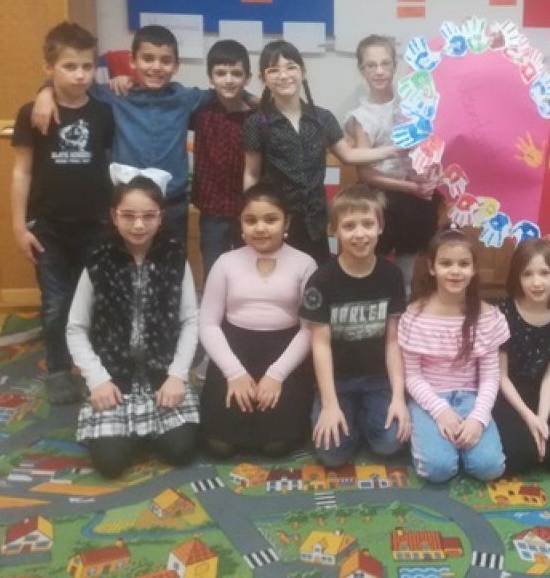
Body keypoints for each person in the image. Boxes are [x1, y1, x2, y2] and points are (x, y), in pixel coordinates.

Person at [65, 169, 199, 479]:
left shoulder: (174, 256)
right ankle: (129, 432)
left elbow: (191, 320)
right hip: (114, 378)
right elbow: (76, 328)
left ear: (161, 217)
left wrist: (177, 376)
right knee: (110, 464)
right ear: (114, 216)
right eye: (128, 216)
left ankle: (146, 429)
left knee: (181, 451)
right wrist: (97, 379)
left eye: (148, 216)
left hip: (162, 375)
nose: (138, 225)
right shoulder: (98, 259)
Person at [11, 22, 114, 405]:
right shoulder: (32, 113)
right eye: (70, 66)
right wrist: (19, 227)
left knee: (95, 300)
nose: (80, 75)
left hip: (95, 225)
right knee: (55, 303)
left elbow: (105, 165)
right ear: (48, 67)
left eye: (87, 66)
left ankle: (92, 366)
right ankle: (57, 368)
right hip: (47, 228)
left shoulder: (103, 113)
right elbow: (21, 172)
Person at [33, 25, 211, 242]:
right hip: (125, 204)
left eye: (166, 61)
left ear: (176, 66)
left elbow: (223, 94)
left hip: (172, 203)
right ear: (132, 60)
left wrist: (250, 99)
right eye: (148, 59)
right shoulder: (115, 94)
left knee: (172, 259)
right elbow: (73, 85)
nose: (156, 67)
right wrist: (46, 90)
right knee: (122, 261)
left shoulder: (185, 98)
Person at [242, 40, 400, 265]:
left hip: (315, 221)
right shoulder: (256, 123)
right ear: (262, 78)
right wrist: (251, 215)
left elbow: (348, 155)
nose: (283, 75)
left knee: (315, 275)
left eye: (290, 67)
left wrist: (395, 150)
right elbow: (251, 173)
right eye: (273, 70)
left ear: (303, 72)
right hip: (275, 220)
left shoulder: (322, 118)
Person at [198, 184, 316, 457]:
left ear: (286, 222)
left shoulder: (305, 263)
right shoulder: (225, 262)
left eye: (270, 219)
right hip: (234, 350)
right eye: (250, 220)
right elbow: (208, 324)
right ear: (240, 224)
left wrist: (276, 375)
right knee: (219, 445)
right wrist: (234, 373)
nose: (260, 228)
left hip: (285, 352)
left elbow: (309, 329)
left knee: (276, 445)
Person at [301, 185, 410, 466]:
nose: (359, 234)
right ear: (334, 230)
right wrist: (329, 404)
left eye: (367, 224)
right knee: (331, 454)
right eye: (349, 226)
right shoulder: (321, 280)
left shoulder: (392, 276)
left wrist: (399, 398)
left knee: (391, 443)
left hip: (378, 379)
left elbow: (393, 342)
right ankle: (348, 416)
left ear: (380, 227)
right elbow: (320, 345)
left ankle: (363, 417)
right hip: (338, 381)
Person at [398, 229, 509, 483]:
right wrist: (440, 411)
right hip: (429, 398)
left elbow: (490, 377)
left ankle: (463, 445)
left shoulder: (488, 317)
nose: (455, 271)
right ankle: (434, 443)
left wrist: (478, 419)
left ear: (474, 269)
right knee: (437, 470)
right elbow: (412, 376)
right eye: (446, 263)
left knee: (490, 467)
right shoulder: (415, 317)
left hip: (471, 397)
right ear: (432, 267)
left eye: (463, 264)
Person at [345, 35, 439, 286]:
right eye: (371, 65)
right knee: (374, 269)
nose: (379, 71)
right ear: (362, 69)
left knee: (407, 271)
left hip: (416, 199)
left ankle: (403, 303)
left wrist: (425, 179)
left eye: (385, 63)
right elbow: (365, 173)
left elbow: (430, 146)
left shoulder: (413, 105)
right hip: (383, 198)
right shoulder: (362, 116)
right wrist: (410, 187)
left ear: (395, 66)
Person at [494, 238, 550, 475]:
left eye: (544, 273)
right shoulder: (503, 313)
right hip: (509, 393)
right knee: (519, 457)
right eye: (527, 274)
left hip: (545, 391)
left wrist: (541, 419)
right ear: (517, 277)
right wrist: (528, 418)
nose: (537, 282)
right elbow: (501, 376)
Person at [192, 39, 258, 278]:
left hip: (247, 209)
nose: (228, 80)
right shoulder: (200, 111)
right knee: (214, 271)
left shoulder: (256, 117)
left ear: (247, 78)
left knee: (248, 270)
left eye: (236, 73)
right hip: (212, 211)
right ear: (210, 78)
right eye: (220, 73)